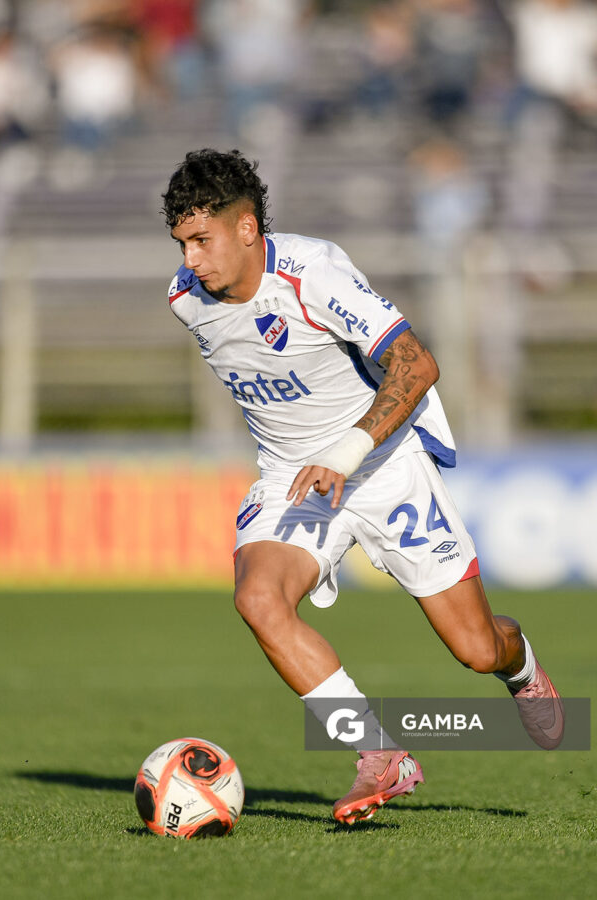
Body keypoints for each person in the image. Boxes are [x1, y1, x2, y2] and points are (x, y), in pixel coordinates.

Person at [162, 148, 564, 825]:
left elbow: (415, 362)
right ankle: (379, 755)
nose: (191, 260)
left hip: (385, 466)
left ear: (248, 228)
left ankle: (518, 663)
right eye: (181, 244)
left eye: (202, 240)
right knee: (258, 598)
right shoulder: (186, 301)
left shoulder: (314, 273)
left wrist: (347, 453)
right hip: (293, 480)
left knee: (474, 649)